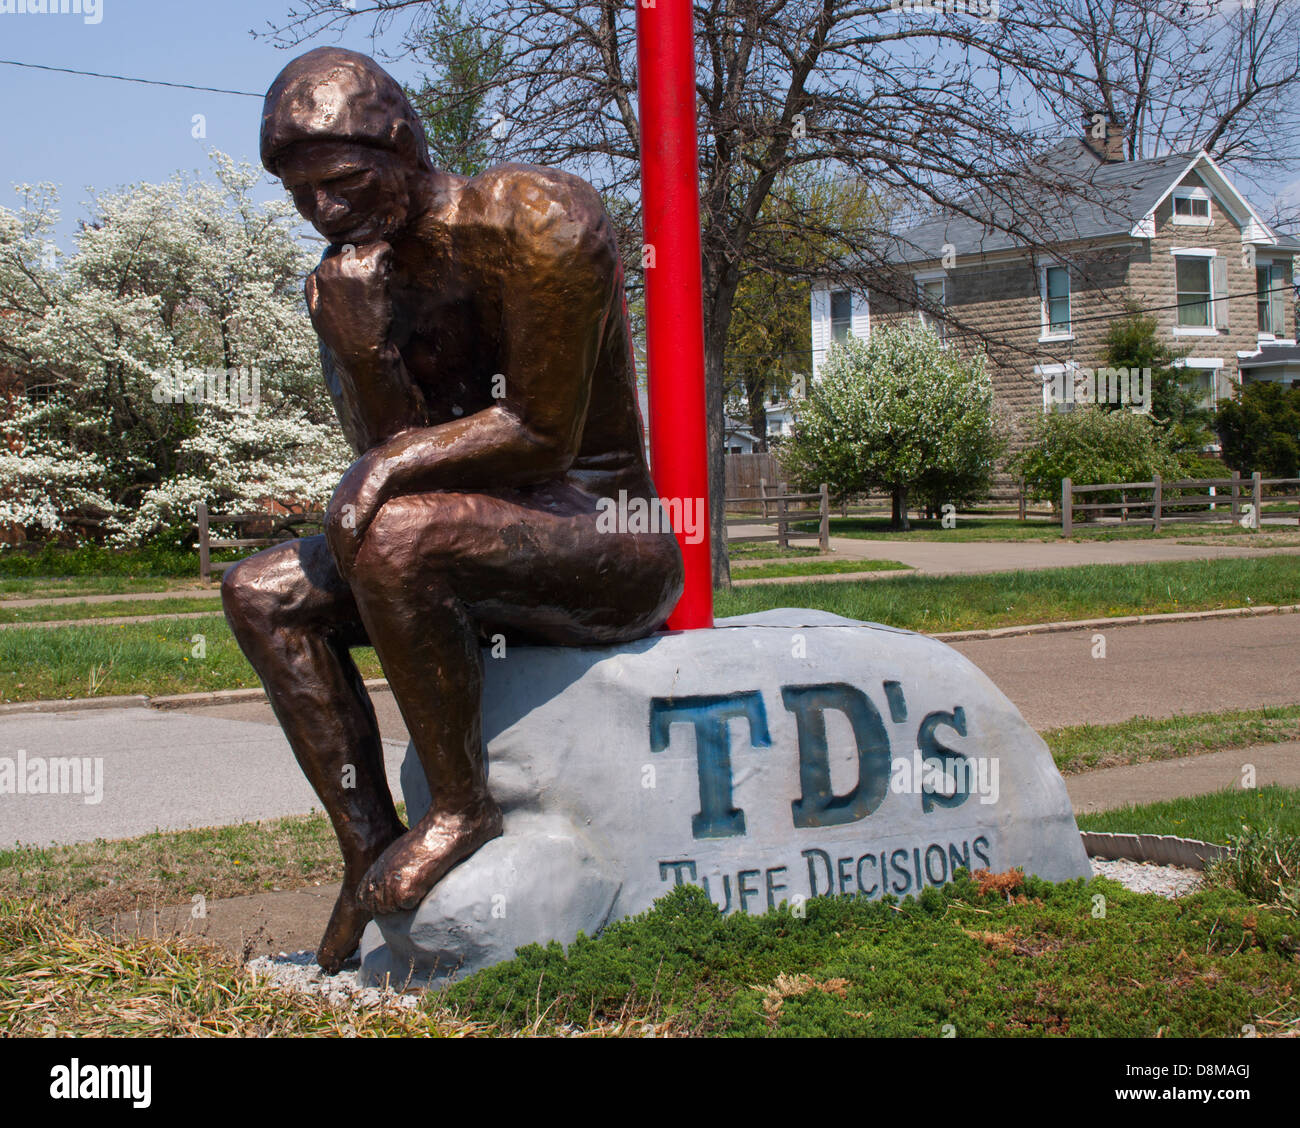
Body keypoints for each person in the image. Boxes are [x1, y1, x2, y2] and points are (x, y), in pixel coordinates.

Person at [223, 47, 683, 972]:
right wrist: (361, 350)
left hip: (603, 535)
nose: (325, 212)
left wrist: (386, 470)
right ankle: (366, 845)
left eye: (345, 183)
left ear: (404, 147)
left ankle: (463, 806)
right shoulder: (346, 277)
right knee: (259, 590)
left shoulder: (539, 219)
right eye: (303, 194)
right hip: (461, 540)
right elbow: (386, 460)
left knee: (395, 535)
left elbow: (542, 431)